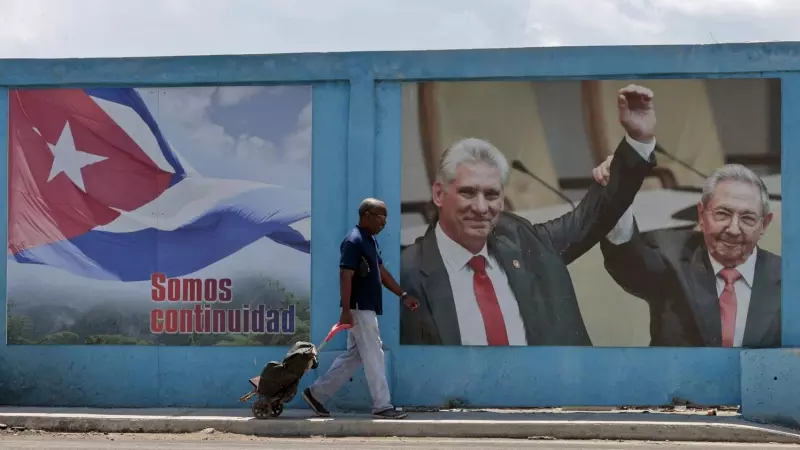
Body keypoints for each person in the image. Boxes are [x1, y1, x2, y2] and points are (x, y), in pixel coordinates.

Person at [399, 84, 659, 346]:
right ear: (438, 194)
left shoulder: (521, 240)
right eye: (468, 193)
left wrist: (637, 142)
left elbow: (590, 217)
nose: (480, 208)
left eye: (491, 195)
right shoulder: (405, 273)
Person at [596, 162, 781, 348]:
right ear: (701, 215)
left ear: (764, 224)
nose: (733, 230)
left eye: (747, 219)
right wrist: (618, 198)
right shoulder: (671, 255)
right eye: (722, 214)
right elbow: (628, 260)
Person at [303, 198, 420, 418]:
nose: (384, 222)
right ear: (366, 215)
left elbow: (381, 271)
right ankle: (382, 405)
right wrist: (346, 309)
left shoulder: (370, 240)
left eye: (386, 217)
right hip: (359, 308)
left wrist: (402, 294)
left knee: (355, 356)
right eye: (380, 216)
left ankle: (316, 393)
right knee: (375, 355)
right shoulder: (354, 241)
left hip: (366, 307)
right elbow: (345, 275)